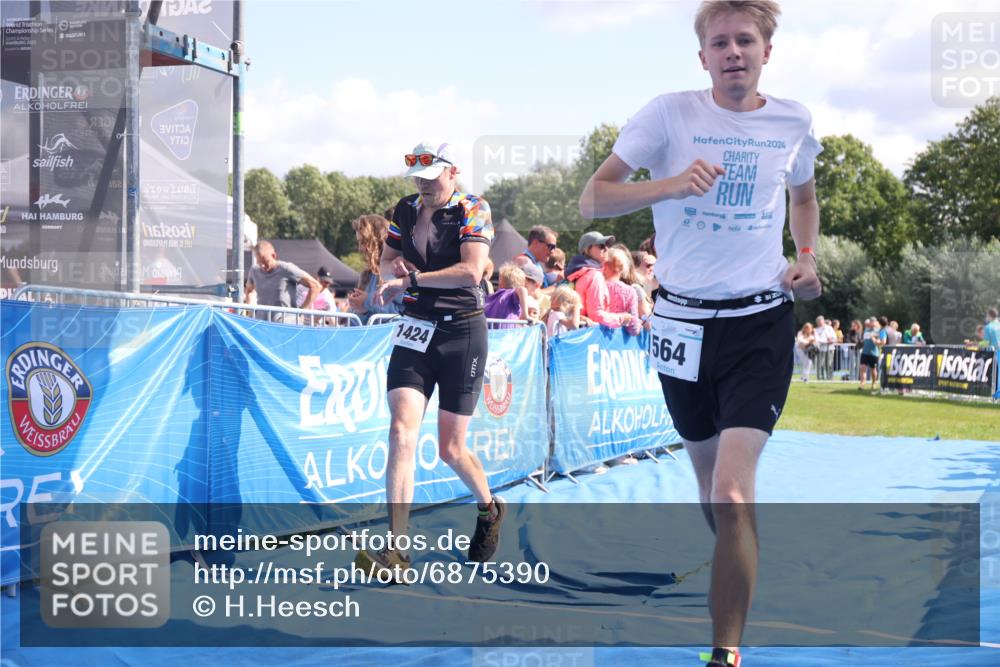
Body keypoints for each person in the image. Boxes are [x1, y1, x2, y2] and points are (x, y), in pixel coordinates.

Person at [578, 2, 823, 663]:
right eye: (721, 42)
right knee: (714, 495)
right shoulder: (668, 114)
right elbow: (592, 200)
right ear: (704, 57)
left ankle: (725, 651)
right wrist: (671, 183)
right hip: (680, 325)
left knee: (733, 492)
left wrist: (806, 258)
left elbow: (803, 197)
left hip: (759, 323)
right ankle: (736, 557)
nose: (734, 51)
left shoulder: (794, 121)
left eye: (746, 40)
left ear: (767, 50)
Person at [354, 141, 504, 579]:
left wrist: (414, 277)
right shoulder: (404, 208)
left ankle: (489, 508)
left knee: (450, 449)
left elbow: (472, 271)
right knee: (401, 432)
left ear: (452, 172)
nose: (423, 184)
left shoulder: (474, 208)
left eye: (431, 175)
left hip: (462, 331)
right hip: (416, 327)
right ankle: (397, 549)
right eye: (417, 177)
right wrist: (391, 275)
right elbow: (385, 260)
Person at [567, 231, 636, 330]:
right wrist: (621, 318)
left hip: (577, 331)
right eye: (601, 246)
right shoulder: (595, 276)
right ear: (587, 249)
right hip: (587, 334)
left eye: (607, 245)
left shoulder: (577, 272)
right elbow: (596, 315)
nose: (607, 249)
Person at [346, 214, 405, 325]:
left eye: (363, 242)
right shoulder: (367, 275)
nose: (360, 248)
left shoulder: (398, 270)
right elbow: (357, 324)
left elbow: (405, 313)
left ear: (377, 242)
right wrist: (360, 310)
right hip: (372, 340)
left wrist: (367, 302)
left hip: (390, 340)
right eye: (359, 242)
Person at [245, 240, 322, 323]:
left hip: (286, 325)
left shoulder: (286, 268)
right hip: (262, 324)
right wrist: (251, 310)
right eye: (259, 262)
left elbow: (316, 286)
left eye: (265, 261)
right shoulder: (254, 270)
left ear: (274, 255)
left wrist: (302, 311)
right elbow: (249, 291)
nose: (263, 266)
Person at [604, 246, 642, 336]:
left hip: (594, 341)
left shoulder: (595, 286)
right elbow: (634, 329)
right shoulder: (630, 291)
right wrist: (640, 324)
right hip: (619, 345)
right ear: (622, 268)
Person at [858, 318, 880, 390]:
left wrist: (874, 339)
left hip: (874, 353)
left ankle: (874, 383)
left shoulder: (878, 331)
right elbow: (864, 340)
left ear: (875, 322)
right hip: (865, 352)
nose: (871, 323)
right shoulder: (866, 330)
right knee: (862, 368)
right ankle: (862, 384)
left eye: (873, 322)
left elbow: (879, 342)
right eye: (870, 322)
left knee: (873, 369)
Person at [813, 315, 834, 380]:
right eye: (819, 322)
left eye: (821, 321)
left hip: (830, 348)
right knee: (820, 364)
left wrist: (830, 340)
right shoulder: (816, 330)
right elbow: (816, 339)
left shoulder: (829, 328)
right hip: (820, 349)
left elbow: (833, 337)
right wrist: (825, 341)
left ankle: (829, 377)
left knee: (829, 364)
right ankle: (820, 377)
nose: (820, 323)